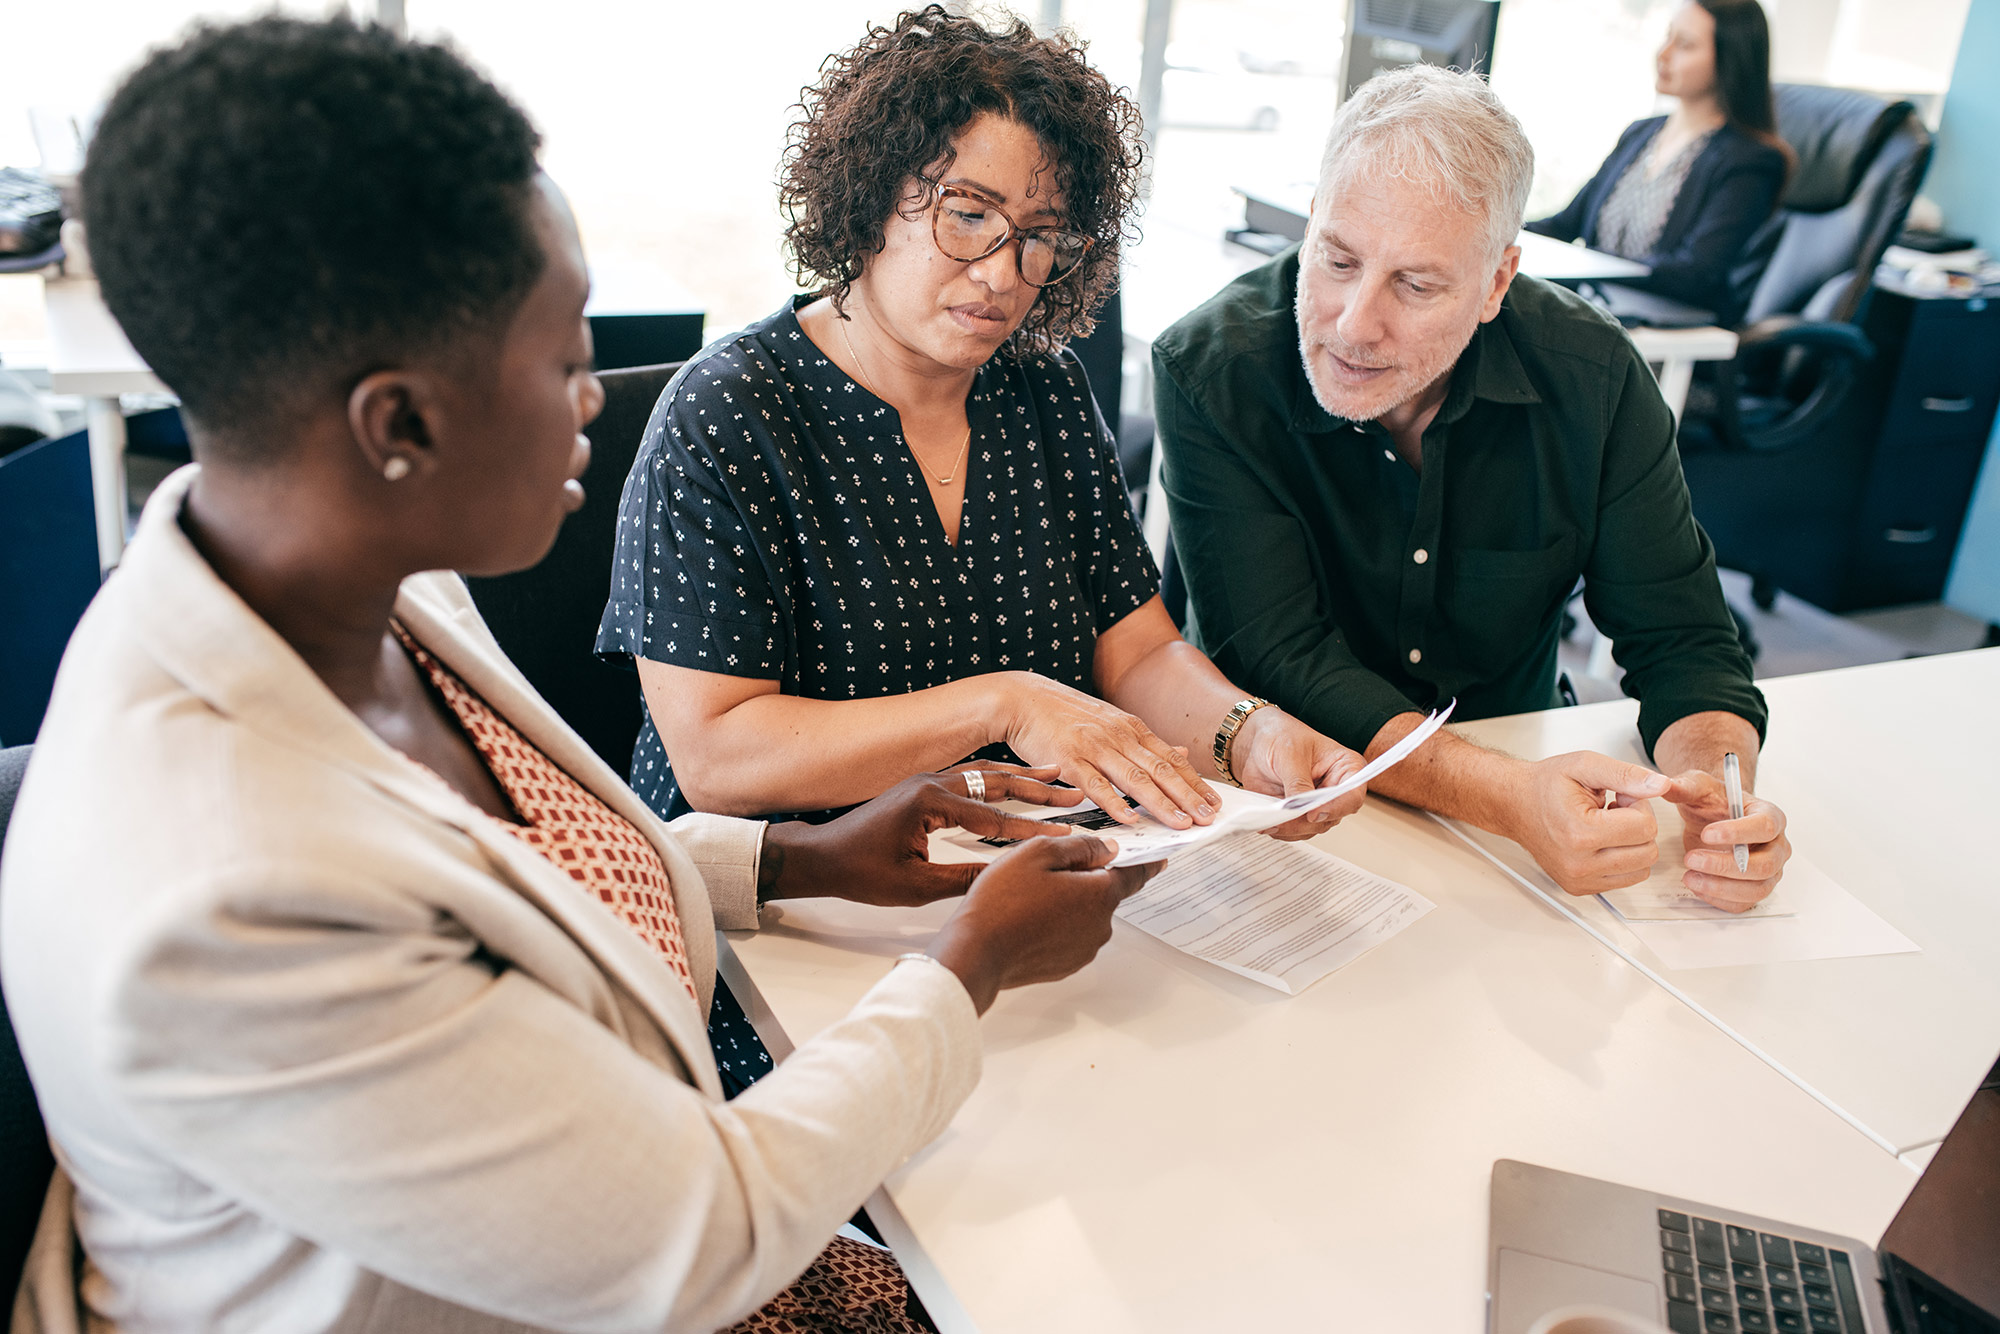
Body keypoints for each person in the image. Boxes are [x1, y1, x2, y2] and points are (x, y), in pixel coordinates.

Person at [0, 18, 1158, 1332]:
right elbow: (700, 1235)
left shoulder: (365, 590)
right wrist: (968, 964)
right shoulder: (223, 898)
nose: (598, 400)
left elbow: (532, 871)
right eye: (563, 359)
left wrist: (802, 863)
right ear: (402, 423)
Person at [598, 7, 1370, 846]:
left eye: (1040, 238)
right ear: (870, 198)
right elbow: (716, 755)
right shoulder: (729, 413)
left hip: (1020, 875)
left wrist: (1247, 732)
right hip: (779, 908)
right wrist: (1006, 701)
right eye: (967, 215)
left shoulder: (1042, 389)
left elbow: (1138, 654)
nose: (1004, 275)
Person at [1152, 64, 1792, 911]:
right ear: (1310, 226)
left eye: (1415, 285)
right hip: (1290, 805)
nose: (1352, 323)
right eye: (1337, 260)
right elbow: (1280, 652)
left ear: (1497, 283)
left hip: (1517, 794)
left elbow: (1683, 640)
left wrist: (1720, 795)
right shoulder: (1213, 368)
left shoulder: (1593, 378)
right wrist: (1507, 799)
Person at [1525, 0, 1790, 323]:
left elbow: (1696, 273)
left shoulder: (1750, 161)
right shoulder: (1641, 133)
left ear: (1730, 58)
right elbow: (1565, 225)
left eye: (1685, 45)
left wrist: (1593, 264)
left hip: (1672, 332)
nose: (1663, 54)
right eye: (1667, 37)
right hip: (1601, 310)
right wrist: (1495, 237)